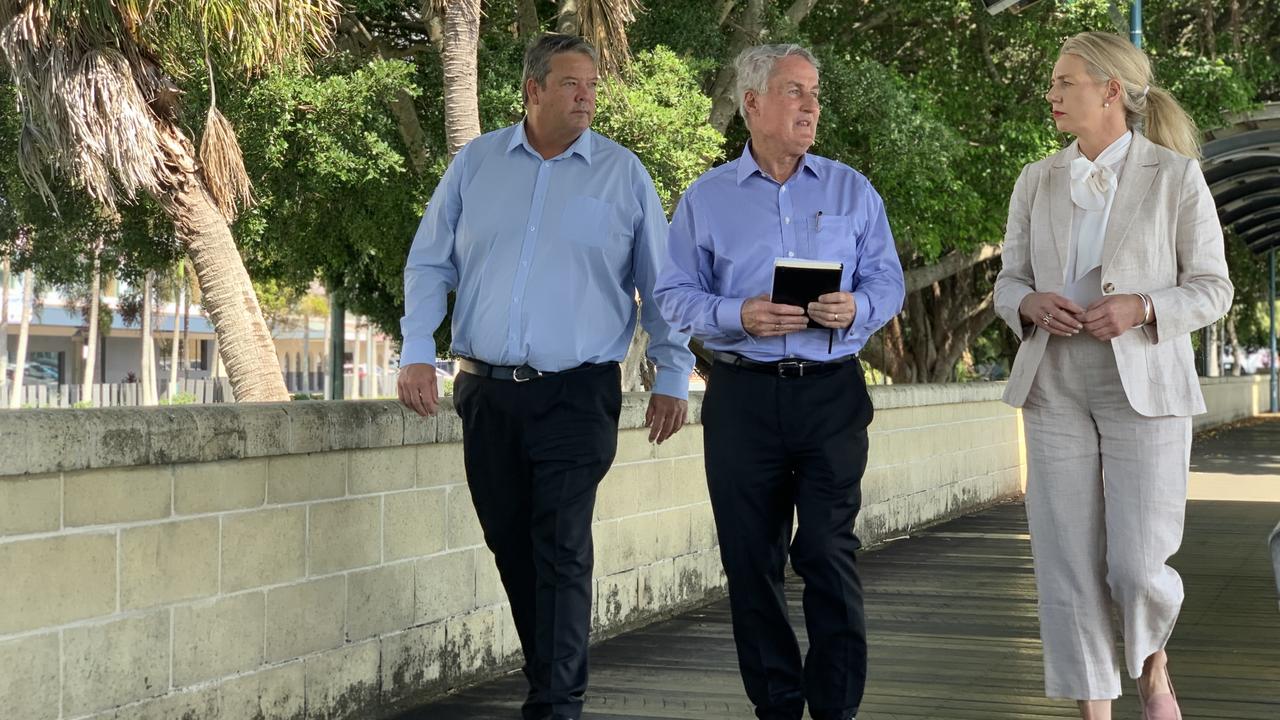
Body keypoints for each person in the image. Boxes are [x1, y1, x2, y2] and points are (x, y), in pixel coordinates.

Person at [397, 33, 695, 720]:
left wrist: (672, 374)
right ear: (532, 91)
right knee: (512, 544)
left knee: (560, 545)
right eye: (570, 83)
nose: (586, 95)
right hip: (486, 390)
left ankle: (557, 704)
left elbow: (664, 283)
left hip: (578, 389)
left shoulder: (623, 175)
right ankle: (549, 684)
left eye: (591, 84)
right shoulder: (476, 166)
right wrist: (419, 348)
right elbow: (429, 262)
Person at [654, 44, 904, 720]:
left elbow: (887, 280)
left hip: (831, 393)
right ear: (754, 104)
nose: (812, 106)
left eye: (815, 93)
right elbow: (673, 294)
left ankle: (835, 709)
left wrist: (859, 307)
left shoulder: (853, 190)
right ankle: (777, 706)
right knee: (750, 561)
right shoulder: (706, 199)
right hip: (741, 396)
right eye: (796, 92)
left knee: (826, 549)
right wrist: (735, 314)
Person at [994, 31, 1233, 720]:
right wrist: (1028, 303)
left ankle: (1154, 665)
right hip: (1053, 379)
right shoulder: (1036, 179)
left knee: (1136, 563)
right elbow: (1008, 281)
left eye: (1064, 82)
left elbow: (1214, 288)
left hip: (1147, 382)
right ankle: (1093, 709)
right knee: (1066, 559)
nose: (1052, 94)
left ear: (1109, 91)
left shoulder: (1176, 175)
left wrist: (1143, 306)